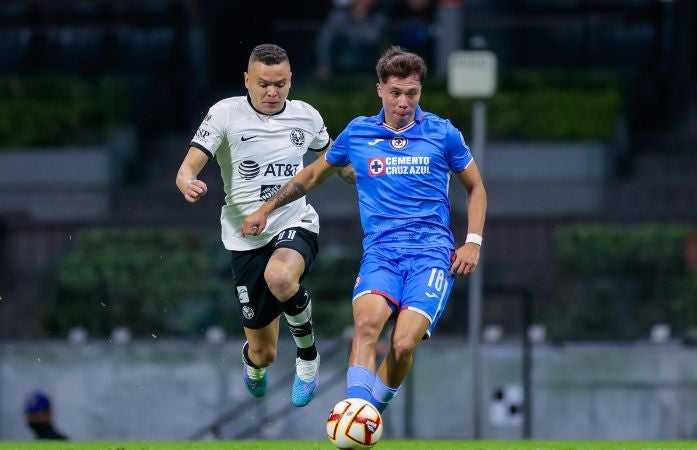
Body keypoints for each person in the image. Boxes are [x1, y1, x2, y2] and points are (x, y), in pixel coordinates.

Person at [242, 46, 487, 414]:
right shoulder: (358, 134)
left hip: (431, 256)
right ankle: (357, 410)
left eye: (412, 93)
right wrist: (265, 209)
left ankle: (372, 407)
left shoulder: (442, 133)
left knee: (403, 344)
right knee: (366, 327)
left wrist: (473, 243)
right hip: (381, 255)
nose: (403, 102)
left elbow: (476, 188)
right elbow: (311, 176)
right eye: (395, 93)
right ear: (380, 91)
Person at [176, 43, 354, 407]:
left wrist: (366, 172)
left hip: (295, 221)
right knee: (264, 354)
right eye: (263, 84)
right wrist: (186, 181)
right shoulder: (225, 114)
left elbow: (333, 160)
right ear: (247, 80)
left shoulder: (306, 116)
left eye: (280, 84)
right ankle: (253, 362)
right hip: (245, 238)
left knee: (281, 277)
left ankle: (308, 357)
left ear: (290, 82)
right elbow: (187, 167)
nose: (272, 92)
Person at [314, 0, 387, 80]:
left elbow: (373, 38)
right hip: (341, 68)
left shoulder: (378, 17)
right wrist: (324, 63)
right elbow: (324, 42)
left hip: (369, 68)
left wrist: (359, 18)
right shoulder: (338, 19)